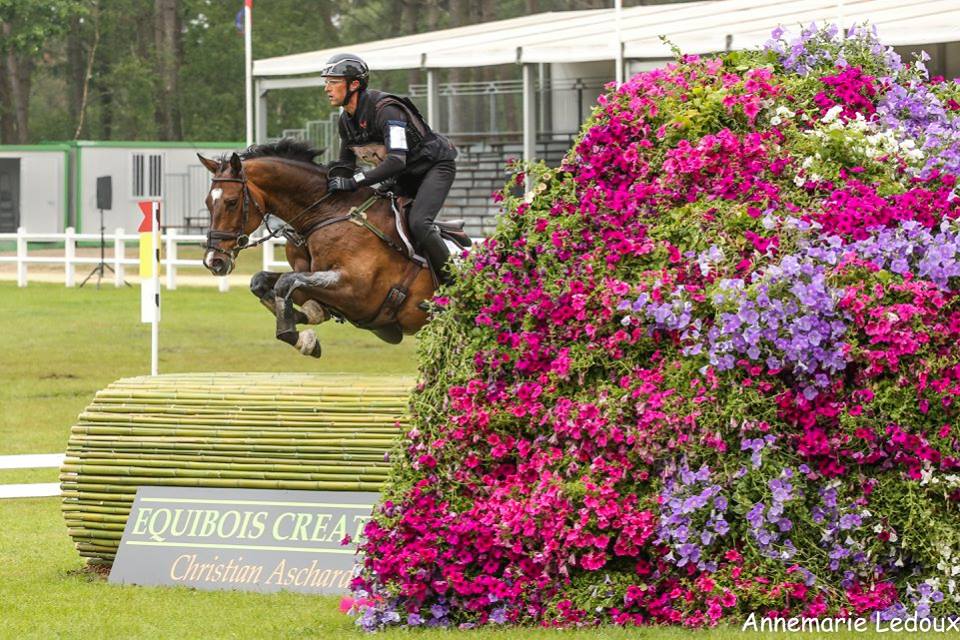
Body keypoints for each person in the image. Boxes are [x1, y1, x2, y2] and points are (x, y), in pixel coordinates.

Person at [321, 53, 458, 285]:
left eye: (333, 82)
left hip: (433, 168)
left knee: (418, 223)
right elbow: (345, 166)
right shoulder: (345, 121)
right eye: (326, 82)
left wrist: (355, 182)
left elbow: (396, 161)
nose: (326, 88)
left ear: (354, 84)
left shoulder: (386, 110)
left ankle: (455, 284)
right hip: (404, 176)